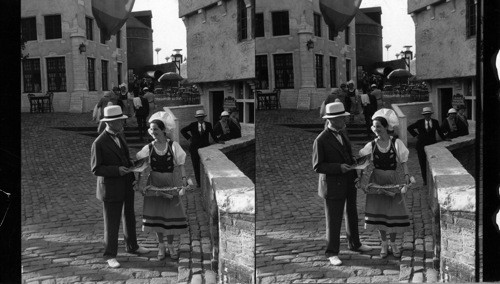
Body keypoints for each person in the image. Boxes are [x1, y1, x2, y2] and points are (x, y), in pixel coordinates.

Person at [312, 102, 372, 266]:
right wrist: (339, 167)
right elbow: (318, 166)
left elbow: (345, 154)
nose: (345, 119)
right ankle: (332, 252)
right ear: (332, 119)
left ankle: (355, 243)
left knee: (352, 213)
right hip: (332, 185)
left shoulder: (342, 133)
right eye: (342, 117)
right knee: (333, 219)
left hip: (348, 181)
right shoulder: (321, 140)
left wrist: (354, 162)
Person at [90, 105, 148, 269]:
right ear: (111, 122)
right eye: (120, 121)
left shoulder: (120, 135)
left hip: (126, 183)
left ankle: (133, 246)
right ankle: (110, 255)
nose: (123, 123)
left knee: (129, 216)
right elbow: (96, 169)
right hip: (110, 187)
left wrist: (132, 164)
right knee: (112, 222)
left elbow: (122, 156)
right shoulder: (99, 143)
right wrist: (116, 170)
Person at [135, 117, 189, 261]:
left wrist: (184, 180)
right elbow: (141, 167)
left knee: (170, 215)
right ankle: (161, 245)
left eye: (156, 129)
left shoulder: (173, 146)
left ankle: (170, 245)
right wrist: (139, 183)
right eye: (151, 129)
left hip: (170, 183)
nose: (153, 132)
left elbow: (181, 164)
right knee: (156, 214)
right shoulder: (149, 148)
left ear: (163, 130)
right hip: (154, 184)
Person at [358, 113, 411, 259]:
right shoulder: (371, 145)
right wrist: (361, 180)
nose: (376, 129)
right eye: (374, 127)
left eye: (379, 126)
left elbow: (404, 162)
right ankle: (383, 243)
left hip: (392, 181)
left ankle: (393, 243)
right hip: (377, 183)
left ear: (386, 127)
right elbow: (363, 164)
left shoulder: (396, 143)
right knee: (379, 212)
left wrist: (406, 176)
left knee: (393, 213)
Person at [407, 107, 450, 185]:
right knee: (422, 163)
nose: (427, 116)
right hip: (421, 145)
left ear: (431, 114)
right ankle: (425, 180)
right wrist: (416, 135)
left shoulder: (435, 122)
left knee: (433, 162)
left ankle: (433, 179)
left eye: (428, 114)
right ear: (423, 115)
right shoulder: (419, 122)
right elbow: (409, 128)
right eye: (425, 114)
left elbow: (439, 131)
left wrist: (444, 138)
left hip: (432, 145)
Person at [180, 110, 220, 188]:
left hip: (205, 147)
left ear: (204, 117)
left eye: (202, 117)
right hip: (194, 148)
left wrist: (218, 141)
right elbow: (182, 130)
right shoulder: (193, 125)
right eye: (199, 117)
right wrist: (190, 138)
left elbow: (212, 134)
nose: (200, 119)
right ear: (197, 118)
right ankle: (199, 183)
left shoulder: (208, 124)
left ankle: (208, 182)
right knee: (196, 166)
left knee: (207, 165)